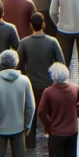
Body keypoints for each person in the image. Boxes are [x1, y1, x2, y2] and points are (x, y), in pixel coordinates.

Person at [19, 13, 65, 149]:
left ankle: (30, 143)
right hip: (48, 85)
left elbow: (20, 65)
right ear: (44, 25)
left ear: (31, 25)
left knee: (30, 115)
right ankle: (52, 140)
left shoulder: (24, 43)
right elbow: (61, 63)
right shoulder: (52, 42)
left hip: (31, 85)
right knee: (50, 115)